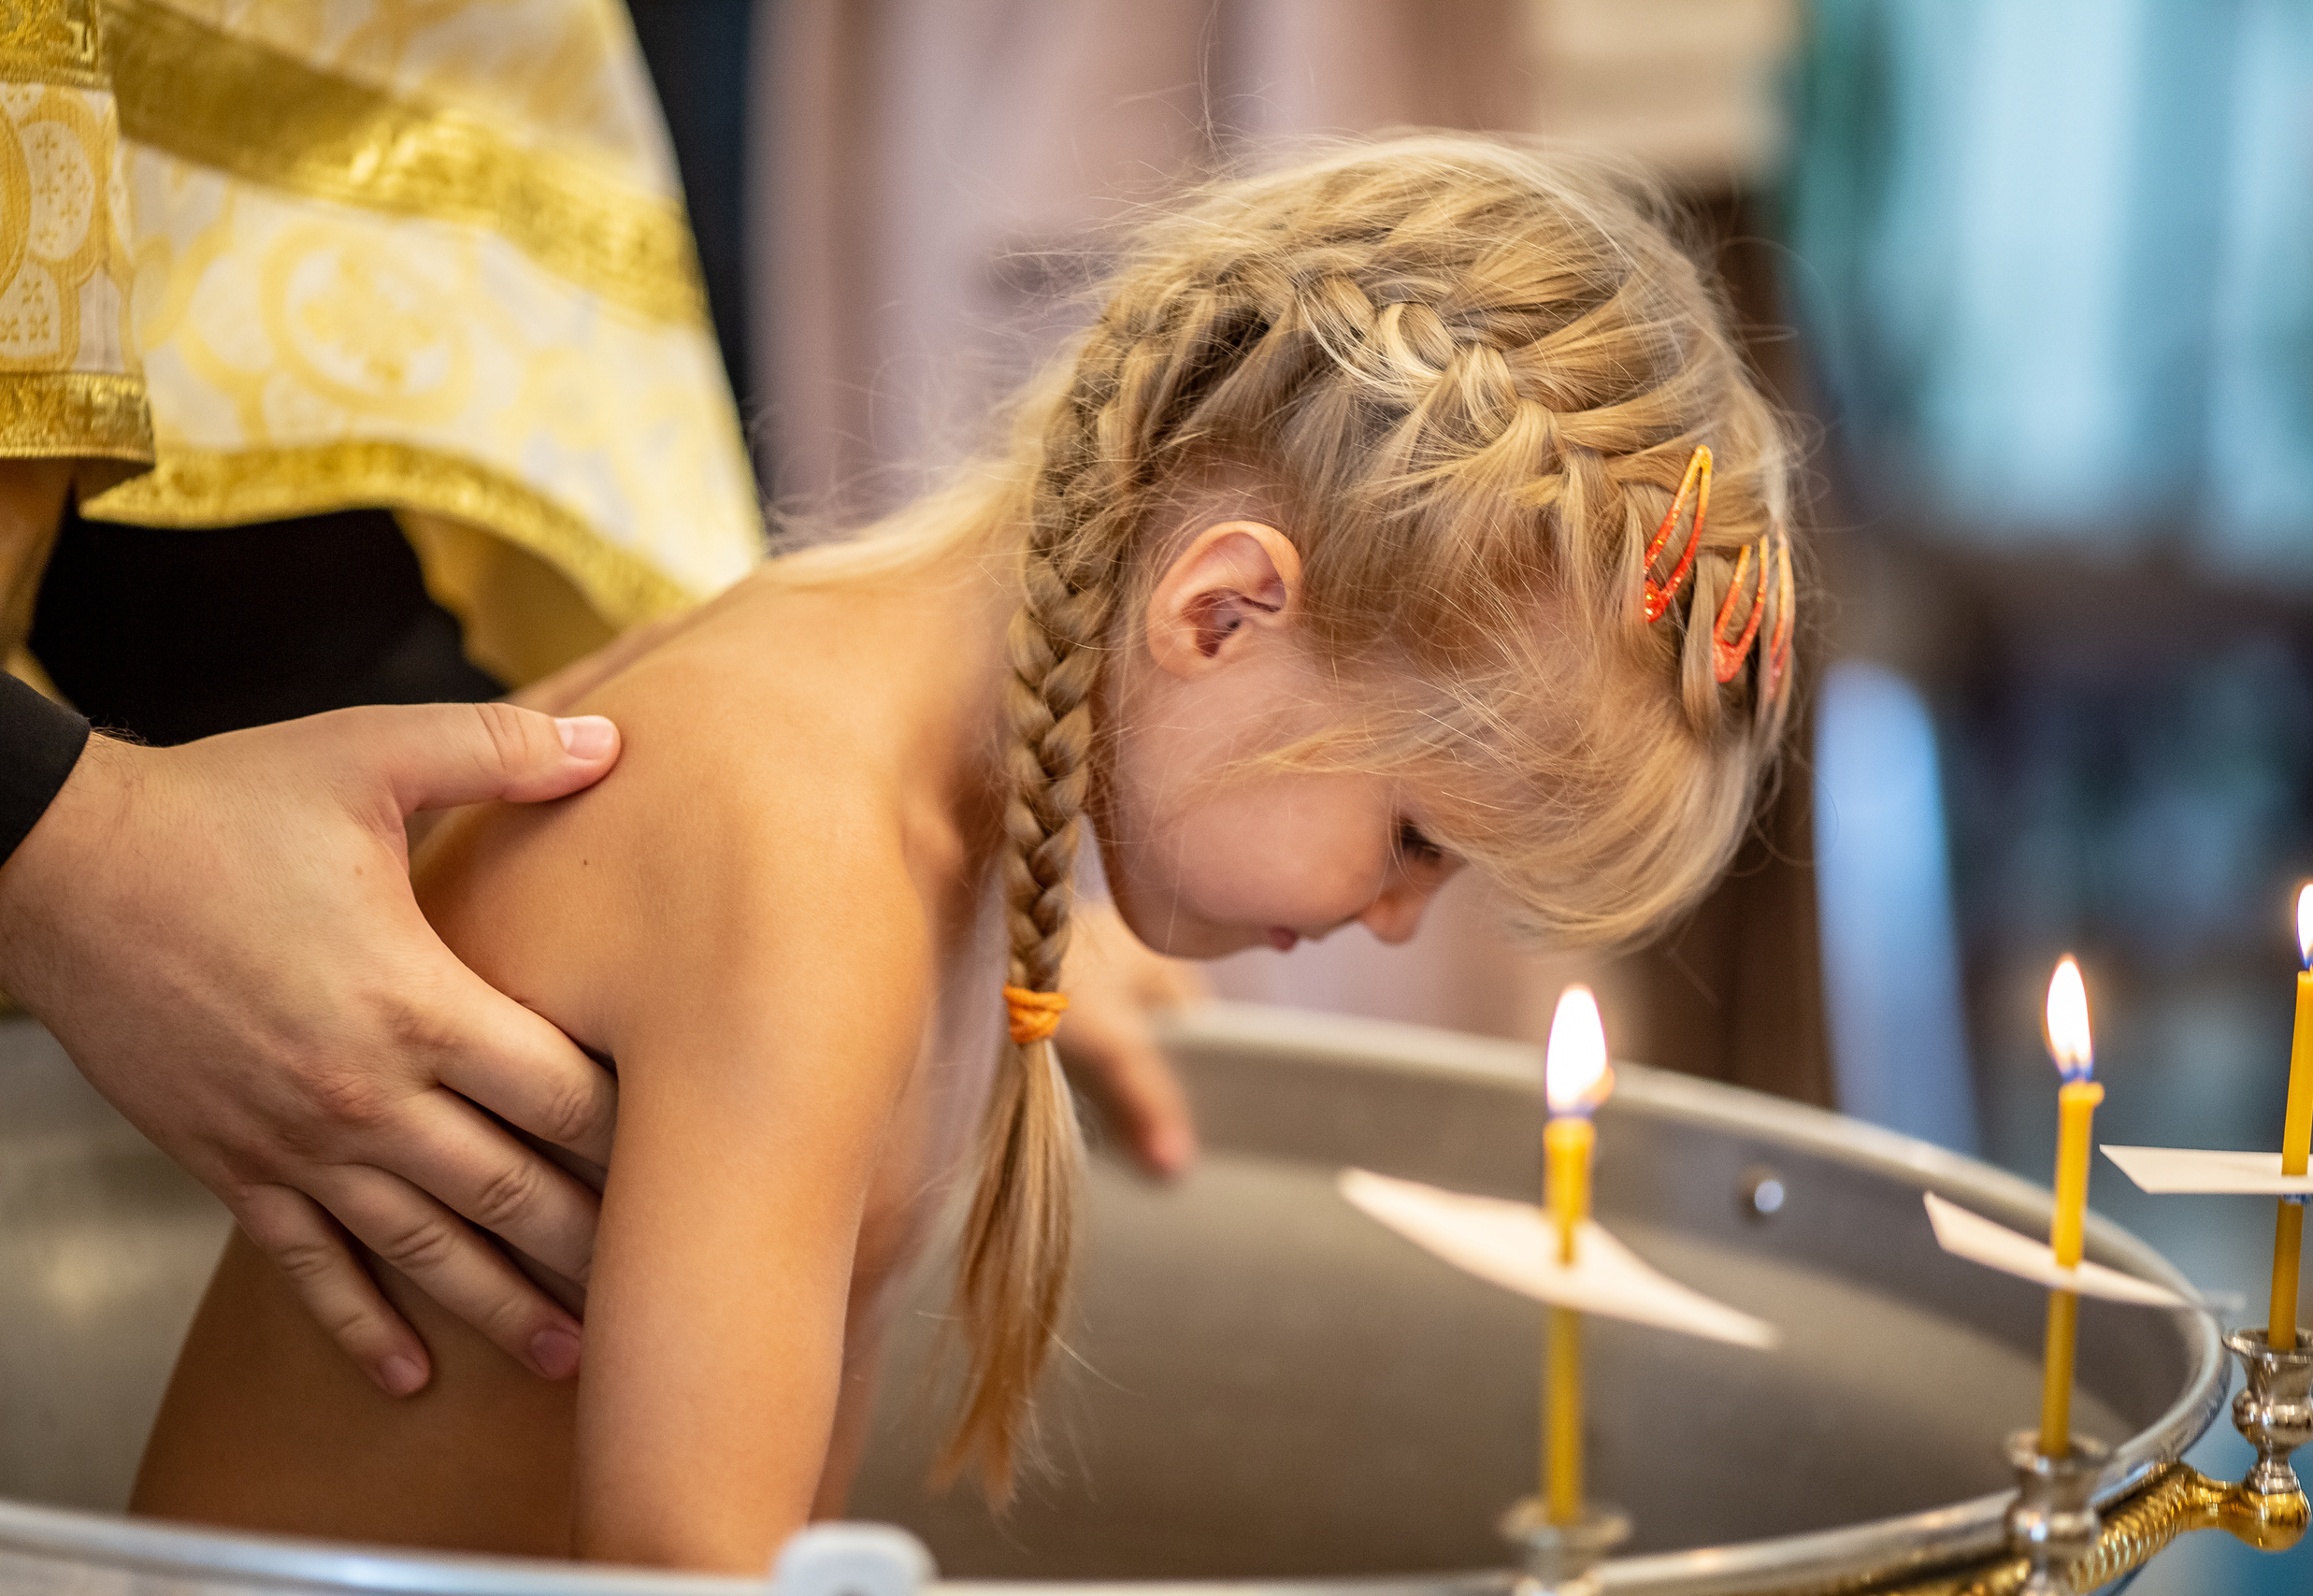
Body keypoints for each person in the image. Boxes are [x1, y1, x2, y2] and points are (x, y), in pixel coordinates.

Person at [127, 135, 1797, 1570]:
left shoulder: (895, 761)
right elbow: (686, 1583)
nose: (1396, 917)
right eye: (1415, 838)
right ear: (1222, 613)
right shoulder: (802, 851)